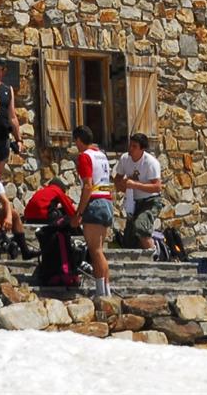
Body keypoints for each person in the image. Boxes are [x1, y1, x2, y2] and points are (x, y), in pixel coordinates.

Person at [73, 125, 115, 297]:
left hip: (95, 202)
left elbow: (88, 185)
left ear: (78, 140)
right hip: (107, 200)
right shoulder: (102, 155)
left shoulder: (85, 157)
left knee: (95, 251)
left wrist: (79, 213)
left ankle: (102, 293)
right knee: (99, 251)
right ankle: (106, 291)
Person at [116, 132, 163, 251]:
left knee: (141, 226)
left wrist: (135, 185)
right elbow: (117, 179)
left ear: (142, 149)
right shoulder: (125, 159)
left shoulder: (151, 163)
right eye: (130, 145)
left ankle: (155, 254)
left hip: (150, 201)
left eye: (134, 146)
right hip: (134, 202)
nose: (130, 149)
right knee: (129, 240)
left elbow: (157, 187)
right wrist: (124, 186)